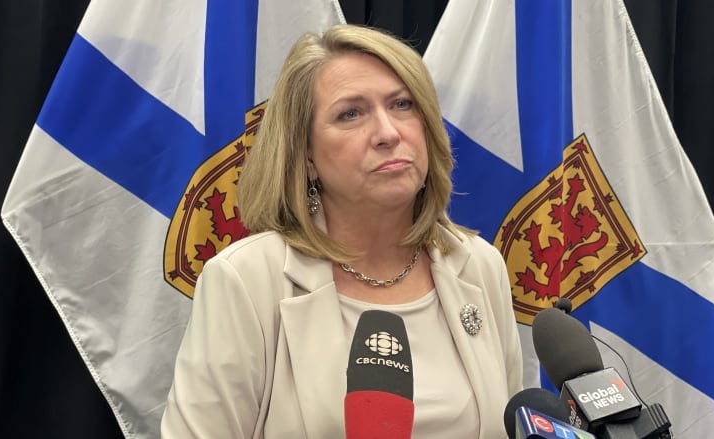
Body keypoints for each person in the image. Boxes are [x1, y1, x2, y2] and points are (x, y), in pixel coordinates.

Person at [161, 24, 523, 438]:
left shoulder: (477, 265)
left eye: (403, 104)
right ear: (307, 156)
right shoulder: (246, 280)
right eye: (351, 113)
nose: (388, 133)